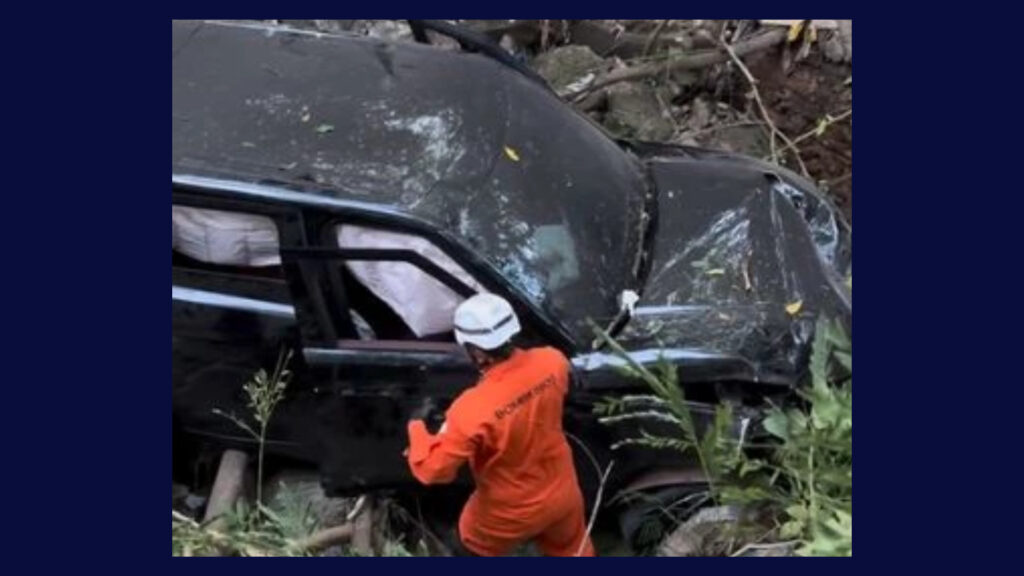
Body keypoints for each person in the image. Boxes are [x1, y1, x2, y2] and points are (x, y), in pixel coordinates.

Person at [405, 293, 595, 557]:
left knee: (468, 547)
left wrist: (416, 427)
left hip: (509, 512)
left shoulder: (470, 409)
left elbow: (434, 470)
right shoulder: (553, 361)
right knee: (573, 552)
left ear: (477, 352)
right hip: (563, 492)